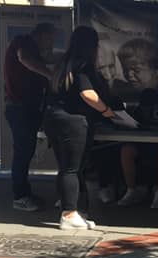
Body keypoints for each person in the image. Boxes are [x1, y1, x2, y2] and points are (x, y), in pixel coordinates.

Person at [44, 26, 121, 230]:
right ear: (92, 46)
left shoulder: (63, 64)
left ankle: (76, 211)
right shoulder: (83, 66)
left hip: (54, 119)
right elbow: (88, 94)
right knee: (73, 169)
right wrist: (106, 111)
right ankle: (69, 214)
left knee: (65, 168)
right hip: (73, 121)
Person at [3, 23, 54, 211]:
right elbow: (24, 58)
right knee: (22, 153)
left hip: (27, 108)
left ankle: (25, 193)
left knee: (26, 152)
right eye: (50, 39)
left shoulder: (33, 50)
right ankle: (20, 197)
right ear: (41, 35)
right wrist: (50, 75)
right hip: (20, 108)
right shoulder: (23, 42)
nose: (51, 44)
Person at [117, 89, 158, 208]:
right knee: (127, 150)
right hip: (143, 144)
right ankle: (131, 190)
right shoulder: (137, 110)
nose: (148, 109)